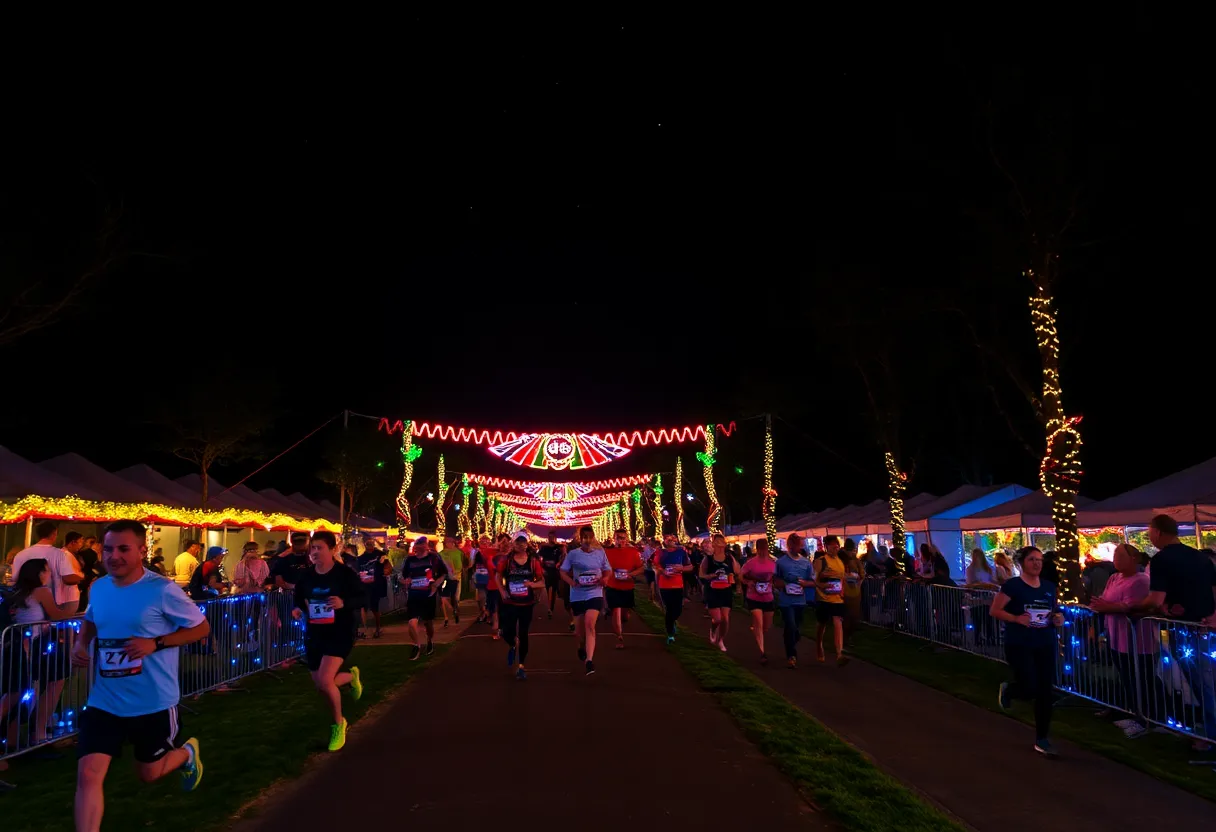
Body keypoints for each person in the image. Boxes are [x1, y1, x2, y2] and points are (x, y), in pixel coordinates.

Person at [71, 520, 211, 832]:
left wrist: (156, 643)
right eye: (108, 549)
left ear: (141, 550)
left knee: (148, 773)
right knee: (89, 775)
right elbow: (91, 620)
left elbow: (201, 628)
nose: (113, 556)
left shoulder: (161, 590)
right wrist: (81, 644)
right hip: (104, 701)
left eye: (123, 548)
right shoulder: (100, 586)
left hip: (153, 702)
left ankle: (187, 752)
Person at [291, 530, 366, 752]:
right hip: (315, 633)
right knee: (320, 684)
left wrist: (344, 602)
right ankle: (351, 676)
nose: (314, 552)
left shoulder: (344, 574)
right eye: (312, 548)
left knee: (325, 681)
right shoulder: (306, 576)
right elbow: (299, 598)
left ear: (332, 549)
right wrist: (297, 609)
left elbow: (363, 596)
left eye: (319, 548)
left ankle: (339, 724)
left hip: (340, 632)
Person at [991, 545, 1064, 757]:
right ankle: (1011, 690)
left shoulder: (1049, 586)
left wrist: (1058, 618)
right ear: (1021, 563)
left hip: (1045, 642)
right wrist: (1015, 618)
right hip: (1019, 643)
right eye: (1032, 560)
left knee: (1044, 692)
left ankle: (1042, 738)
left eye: (1040, 560)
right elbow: (995, 610)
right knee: (1030, 686)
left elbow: (1054, 610)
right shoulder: (1012, 586)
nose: (1037, 564)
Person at [560, 526, 612, 675]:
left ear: (593, 537)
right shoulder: (573, 554)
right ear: (580, 539)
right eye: (584, 537)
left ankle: (589, 661)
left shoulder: (600, 553)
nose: (587, 540)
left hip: (594, 592)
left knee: (590, 624)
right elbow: (563, 571)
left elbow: (608, 569)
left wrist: (605, 578)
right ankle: (581, 646)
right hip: (577, 594)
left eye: (590, 537)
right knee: (579, 632)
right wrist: (571, 582)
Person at [497, 536, 545, 680]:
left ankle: (521, 666)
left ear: (526, 545)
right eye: (517, 543)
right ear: (514, 545)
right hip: (510, 603)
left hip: (526, 604)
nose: (520, 546)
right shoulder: (507, 561)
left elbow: (542, 582)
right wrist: (502, 591)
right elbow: (497, 576)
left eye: (523, 544)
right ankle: (512, 644)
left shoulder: (533, 562)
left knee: (523, 634)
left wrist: (532, 585)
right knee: (507, 632)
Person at [402, 537, 449, 660]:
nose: (420, 547)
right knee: (412, 622)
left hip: (428, 594)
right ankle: (416, 645)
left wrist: (436, 584)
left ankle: (429, 640)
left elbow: (444, 573)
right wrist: (406, 581)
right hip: (414, 594)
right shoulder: (410, 560)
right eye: (418, 545)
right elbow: (404, 575)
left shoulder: (434, 558)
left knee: (428, 622)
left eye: (423, 545)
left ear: (427, 546)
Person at [774, 534, 815, 668]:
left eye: (800, 545)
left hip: (800, 601)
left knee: (795, 629)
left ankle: (790, 639)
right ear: (789, 545)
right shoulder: (781, 562)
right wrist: (783, 585)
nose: (799, 547)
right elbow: (775, 580)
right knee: (790, 625)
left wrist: (805, 583)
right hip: (786, 601)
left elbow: (813, 581)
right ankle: (791, 656)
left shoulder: (806, 563)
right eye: (797, 545)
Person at [604, 529, 645, 649]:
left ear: (626, 539)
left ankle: (626, 615)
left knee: (624, 615)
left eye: (623, 538)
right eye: (618, 538)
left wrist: (630, 575)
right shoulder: (607, 552)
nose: (620, 540)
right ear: (614, 538)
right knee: (615, 610)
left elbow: (641, 568)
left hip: (627, 586)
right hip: (612, 586)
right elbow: (602, 567)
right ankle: (619, 636)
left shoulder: (633, 552)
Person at [700, 533, 740, 652]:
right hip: (712, 590)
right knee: (717, 619)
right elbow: (701, 574)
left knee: (725, 619)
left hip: (726, 590)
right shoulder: (708, 558)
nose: (719, 544)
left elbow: (737, 571)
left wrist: (733, 573)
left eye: (721, 542)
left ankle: (721, 639)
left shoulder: (729, 557)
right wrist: (711, 575)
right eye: (716, 542)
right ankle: (713, 629)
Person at [740, 537, 777, 664]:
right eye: (760, 550)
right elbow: (741, 575)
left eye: (764, 549)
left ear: (767, 549)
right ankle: (762, 652)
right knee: (759, 622)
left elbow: (777, 577)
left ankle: (756, 629)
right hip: (753, 597)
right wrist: (747, 582)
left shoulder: (773, 562)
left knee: (766, 626)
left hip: (768, 597)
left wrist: (773, 583)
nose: (762, 552)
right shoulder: (751, 563)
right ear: (757, 549)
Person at [814, 536, 849, 666]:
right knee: (822, 624)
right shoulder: (821, 561)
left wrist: (842, 590)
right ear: (826, 546)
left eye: (837, 545)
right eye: (833, 545)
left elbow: (841, 578)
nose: (835, 547)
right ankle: (818, 646)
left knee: (838, 621)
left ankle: (839, 654)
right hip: (824, 598)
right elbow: (814, 579)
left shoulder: (840, 561)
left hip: (837, 599)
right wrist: (823, 585)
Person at [654, 534, 692, 642]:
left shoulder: (681, 552)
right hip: (665, 585)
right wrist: (663, 571)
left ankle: (672, 622)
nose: (671, 541)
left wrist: (682, 568)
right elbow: (655, 565)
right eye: (668, 539)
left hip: (678, 585)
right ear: (664, 541)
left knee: (678, 609)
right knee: (669, 609)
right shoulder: (660, 552)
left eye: (673, 539)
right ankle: (670, 634)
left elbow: (690, 566)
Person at [437, 534, 466, 627]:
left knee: (455, 598)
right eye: (447, 542)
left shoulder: (459, 552)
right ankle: (447, 617)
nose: (448, 544)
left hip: (456, 577)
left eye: (450, 542)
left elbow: (462, 564)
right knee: (443, 598)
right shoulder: (441, 553)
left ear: (454, 543)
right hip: (445, 578)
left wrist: (458, 573)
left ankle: (454, 611)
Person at [537, 530, 565, 619]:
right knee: (546, 588)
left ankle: (550, 609)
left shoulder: (558, 547)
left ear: (555, 538)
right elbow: (538, 557)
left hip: (555, 571)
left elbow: (564, 556)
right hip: (546, 571)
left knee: (553, 591)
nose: (551, 538)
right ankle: (547, 607)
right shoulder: (544, 548)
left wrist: (559, 563)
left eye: (552, 537)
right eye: (549, 537)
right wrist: (541, 568)